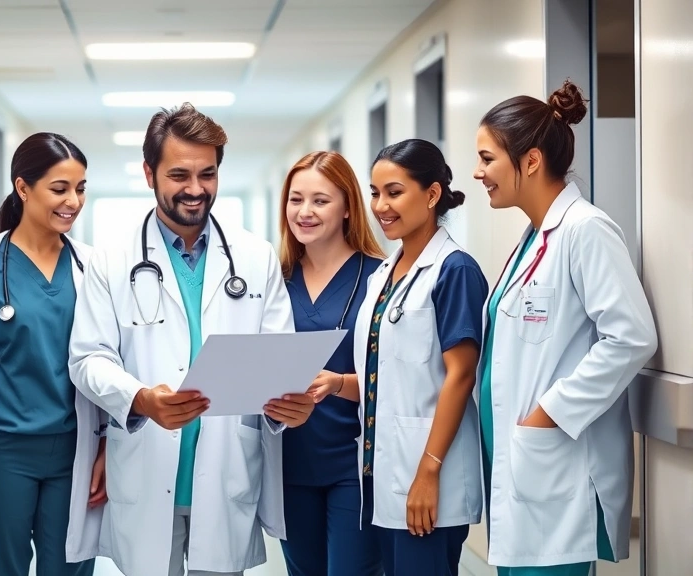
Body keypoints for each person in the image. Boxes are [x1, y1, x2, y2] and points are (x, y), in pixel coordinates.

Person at [68, 102, 317, 576]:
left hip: (226, 473)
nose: (196, 189)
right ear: (149, 173)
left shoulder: (255, 256)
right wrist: (140, 398)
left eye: (208, 174)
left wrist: (292, 405)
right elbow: (88, 358)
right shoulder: (111, 260)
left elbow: (279, 358)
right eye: (179, 174)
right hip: (148, 466)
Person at [475, 80, 657, 576]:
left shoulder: (585, 229)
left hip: (555, 460)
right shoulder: (534, 238)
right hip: (519, 463)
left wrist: (547, 414)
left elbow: (631, 337)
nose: (478, 172)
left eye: (487, 159)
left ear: (530, 161)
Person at [0, 132, 106, 576]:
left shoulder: (93, 266)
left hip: (74, 449)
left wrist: (108, 448)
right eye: (59, 189)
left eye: (80, 189)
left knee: (71, 569)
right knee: (1, 569)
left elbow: (109, 360)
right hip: (2, 451)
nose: (73, 201)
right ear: (23, 188)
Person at [354, 139, 487, 576]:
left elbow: (461, 375)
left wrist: (428, 472)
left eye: (394, 192)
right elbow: (385, 373)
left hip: (429, 479)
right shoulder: (384, 273)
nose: (380, 206)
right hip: (387, 477)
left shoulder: (455, 270)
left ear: (431, 195)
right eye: (374, 193)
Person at [274, 151, 385, 576]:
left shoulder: (381, 277)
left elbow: (401, 375)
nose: (304, 212)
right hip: (289, 459)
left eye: (320, 200)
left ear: (347, 208)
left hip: (355, 464)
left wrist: (340, 382)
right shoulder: (273, 280)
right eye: (295, 199)